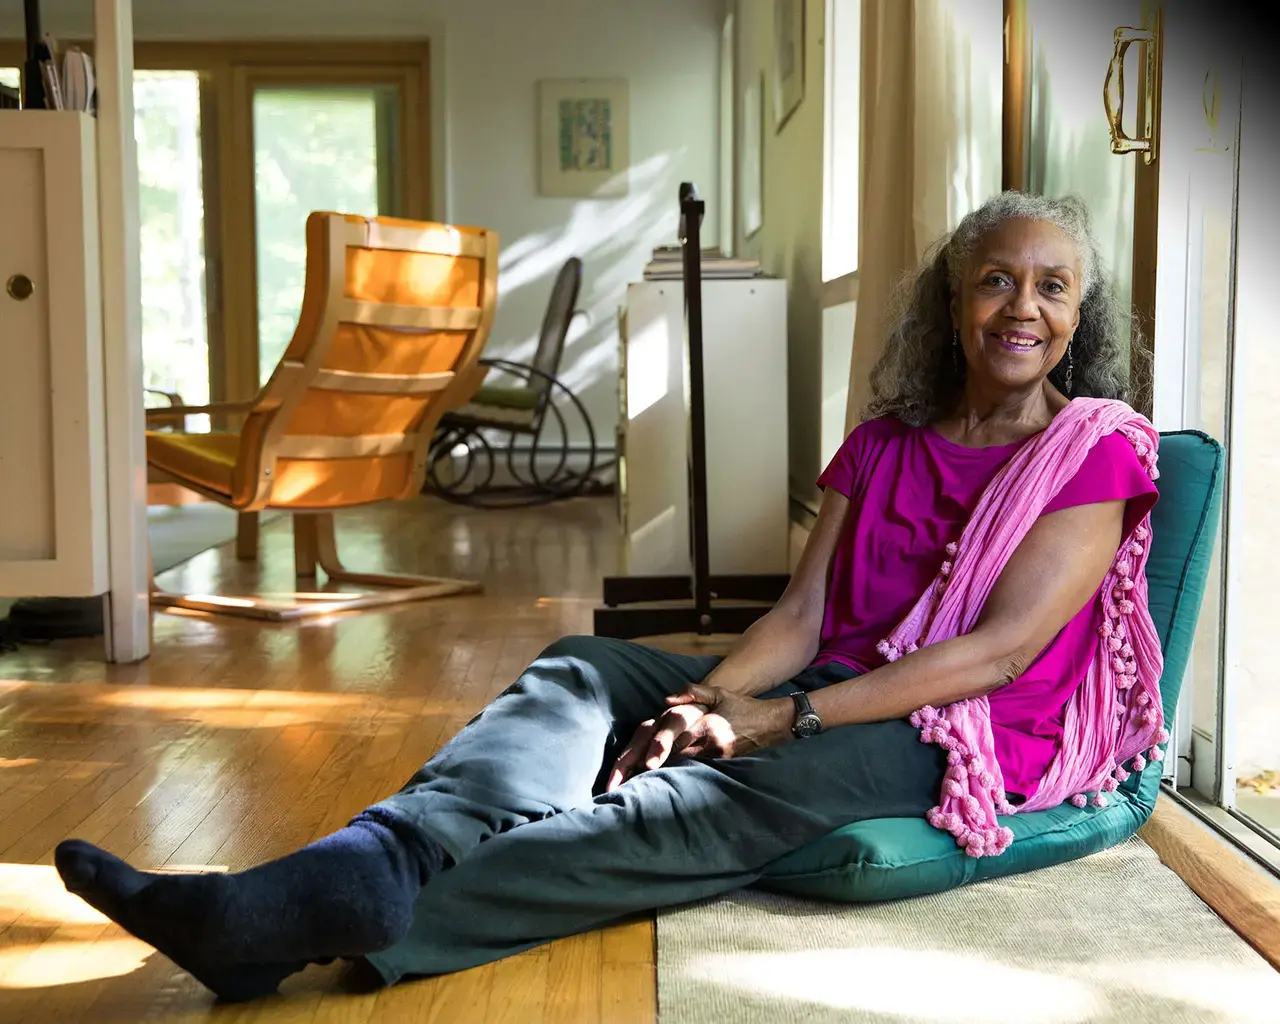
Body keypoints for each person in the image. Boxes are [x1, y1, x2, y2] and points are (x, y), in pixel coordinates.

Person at [55, 191, 1163, 1002]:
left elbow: (999, 654)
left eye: (1050, 286)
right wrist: (707, 699)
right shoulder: (880, 443)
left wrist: (775, 718)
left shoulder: (1092, 452)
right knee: (586, 670)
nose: (1021, 307)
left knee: (701, 800)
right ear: (952, 302)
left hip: (950, 725)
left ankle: (311, 918)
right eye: (994, 279)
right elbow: (800, 618)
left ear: (1078, 314)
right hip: (829, 676)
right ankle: (376, 860)